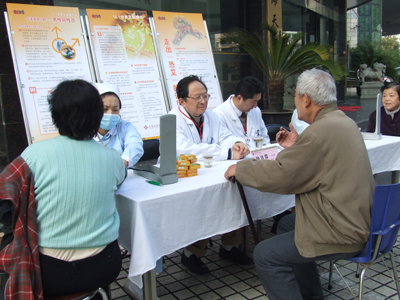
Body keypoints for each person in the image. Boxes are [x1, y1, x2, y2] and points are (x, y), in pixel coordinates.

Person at [224, 68, 374, 300]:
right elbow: (319, 160)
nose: (294, 100)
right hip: (350, 216)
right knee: (286, 224)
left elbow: (282, 175)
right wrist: (298, 147)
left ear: (306, 100)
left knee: (265, 254)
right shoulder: (341, 121)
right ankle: (312, 295)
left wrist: (240, 168)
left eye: (295, 95)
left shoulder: (320, 132)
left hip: (341, 228)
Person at [1, 79, 126, 298]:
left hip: (48, 270)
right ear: (97, 117)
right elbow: (119, 180)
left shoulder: (32, 155)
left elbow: (6, 192)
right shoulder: (113, 159)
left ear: (55, 115)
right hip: (103, 265)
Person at [169, 75, 251, 275]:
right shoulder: (172, 120)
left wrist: (235, 143)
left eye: (205, 96)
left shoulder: (211, 116)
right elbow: (184, 150)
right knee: (203, 205)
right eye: (197, 97)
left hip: (212, 173)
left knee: (233, 195)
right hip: (185, 177)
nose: (203, 101)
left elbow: (224, 136)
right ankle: (192, 254)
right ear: (181, 100)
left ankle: (230, 246)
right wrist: (227, 153)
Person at [94, 83, 144, 167]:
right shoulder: (84, 130)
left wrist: (121, 163)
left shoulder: (125, 127)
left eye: (115, 110)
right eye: (105, 109)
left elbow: (135, 145)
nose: (110, 114)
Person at [213, 76, 270, 148]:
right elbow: (221, 143)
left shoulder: (256, 111)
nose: (255, 106)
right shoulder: (219, 115)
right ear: (239, 98)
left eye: (257, 101)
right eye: (253, 102)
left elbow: (264, 137)